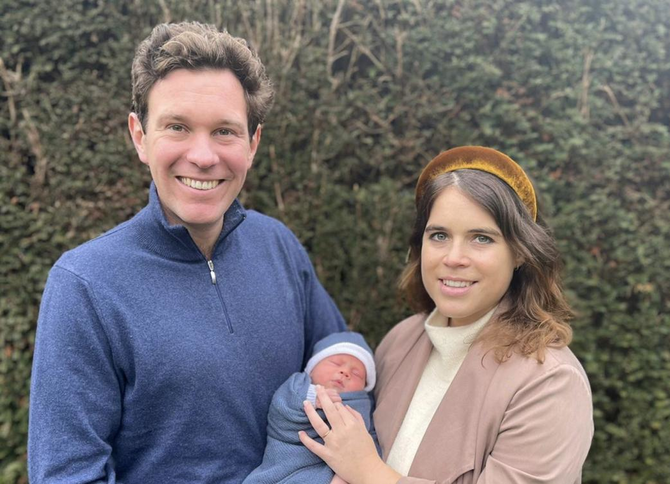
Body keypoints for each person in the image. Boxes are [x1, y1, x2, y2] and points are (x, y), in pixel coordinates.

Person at [28, 21, 346, 483]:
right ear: (140, 136)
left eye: (224, 131)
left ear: (253, 144)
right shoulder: (84, 285)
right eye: (177, 127)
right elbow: (67, 474)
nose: (203, 156)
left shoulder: (279, 246)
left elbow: (344, 367)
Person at [300, 146, 594, 483]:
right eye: (439, 235)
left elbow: (363, 465)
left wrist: (370, 472)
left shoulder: (550, 383)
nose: (454, 258)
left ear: (520, 253)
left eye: (481, 238)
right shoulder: (400, 340)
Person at [244, 331, 377, 484]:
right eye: (336, 363)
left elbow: (371, 440)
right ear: (312, 369)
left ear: (364, 387)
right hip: (289, 458)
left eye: (356, 374)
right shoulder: (298, 384)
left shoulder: (364, 405)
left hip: (332, 471)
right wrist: (312, 397)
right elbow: (281, 408)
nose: (345, 372)